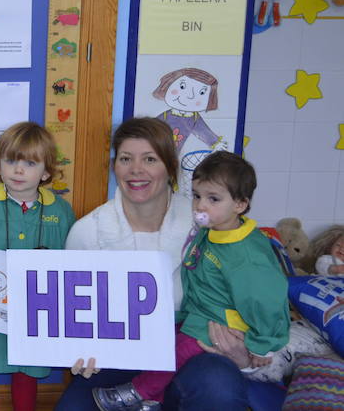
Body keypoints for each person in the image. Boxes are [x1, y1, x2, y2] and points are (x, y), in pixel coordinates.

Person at [56, 117, 253, 411]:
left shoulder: (208, 222)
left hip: (191, 353)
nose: (136, 170)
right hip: (116, 357)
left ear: (170, 167)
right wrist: (77, 349)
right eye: (125, 159)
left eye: (150, 158)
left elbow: (247, 289)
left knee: (218, 388)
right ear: (115, 167)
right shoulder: (87, 232)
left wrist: (245, 355)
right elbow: (70, 312)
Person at [92, 151, 289, 410]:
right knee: (164, 343)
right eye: (197, 196)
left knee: (174, 354)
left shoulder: (247, 255)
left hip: (220, 323)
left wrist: (263, 344)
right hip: (197, 312)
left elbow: (265, 300)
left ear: (240, 205)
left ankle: (135, 393)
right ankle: (155, 401)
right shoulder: (214, 231)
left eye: (213, 199)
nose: (200, 206)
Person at [0, 121, 76, 411]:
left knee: (28, 369)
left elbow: (69, 263)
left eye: (30, 163)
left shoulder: (60, 212)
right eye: (11, 161)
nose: (18, 170)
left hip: (37, 308)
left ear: (46, 171)